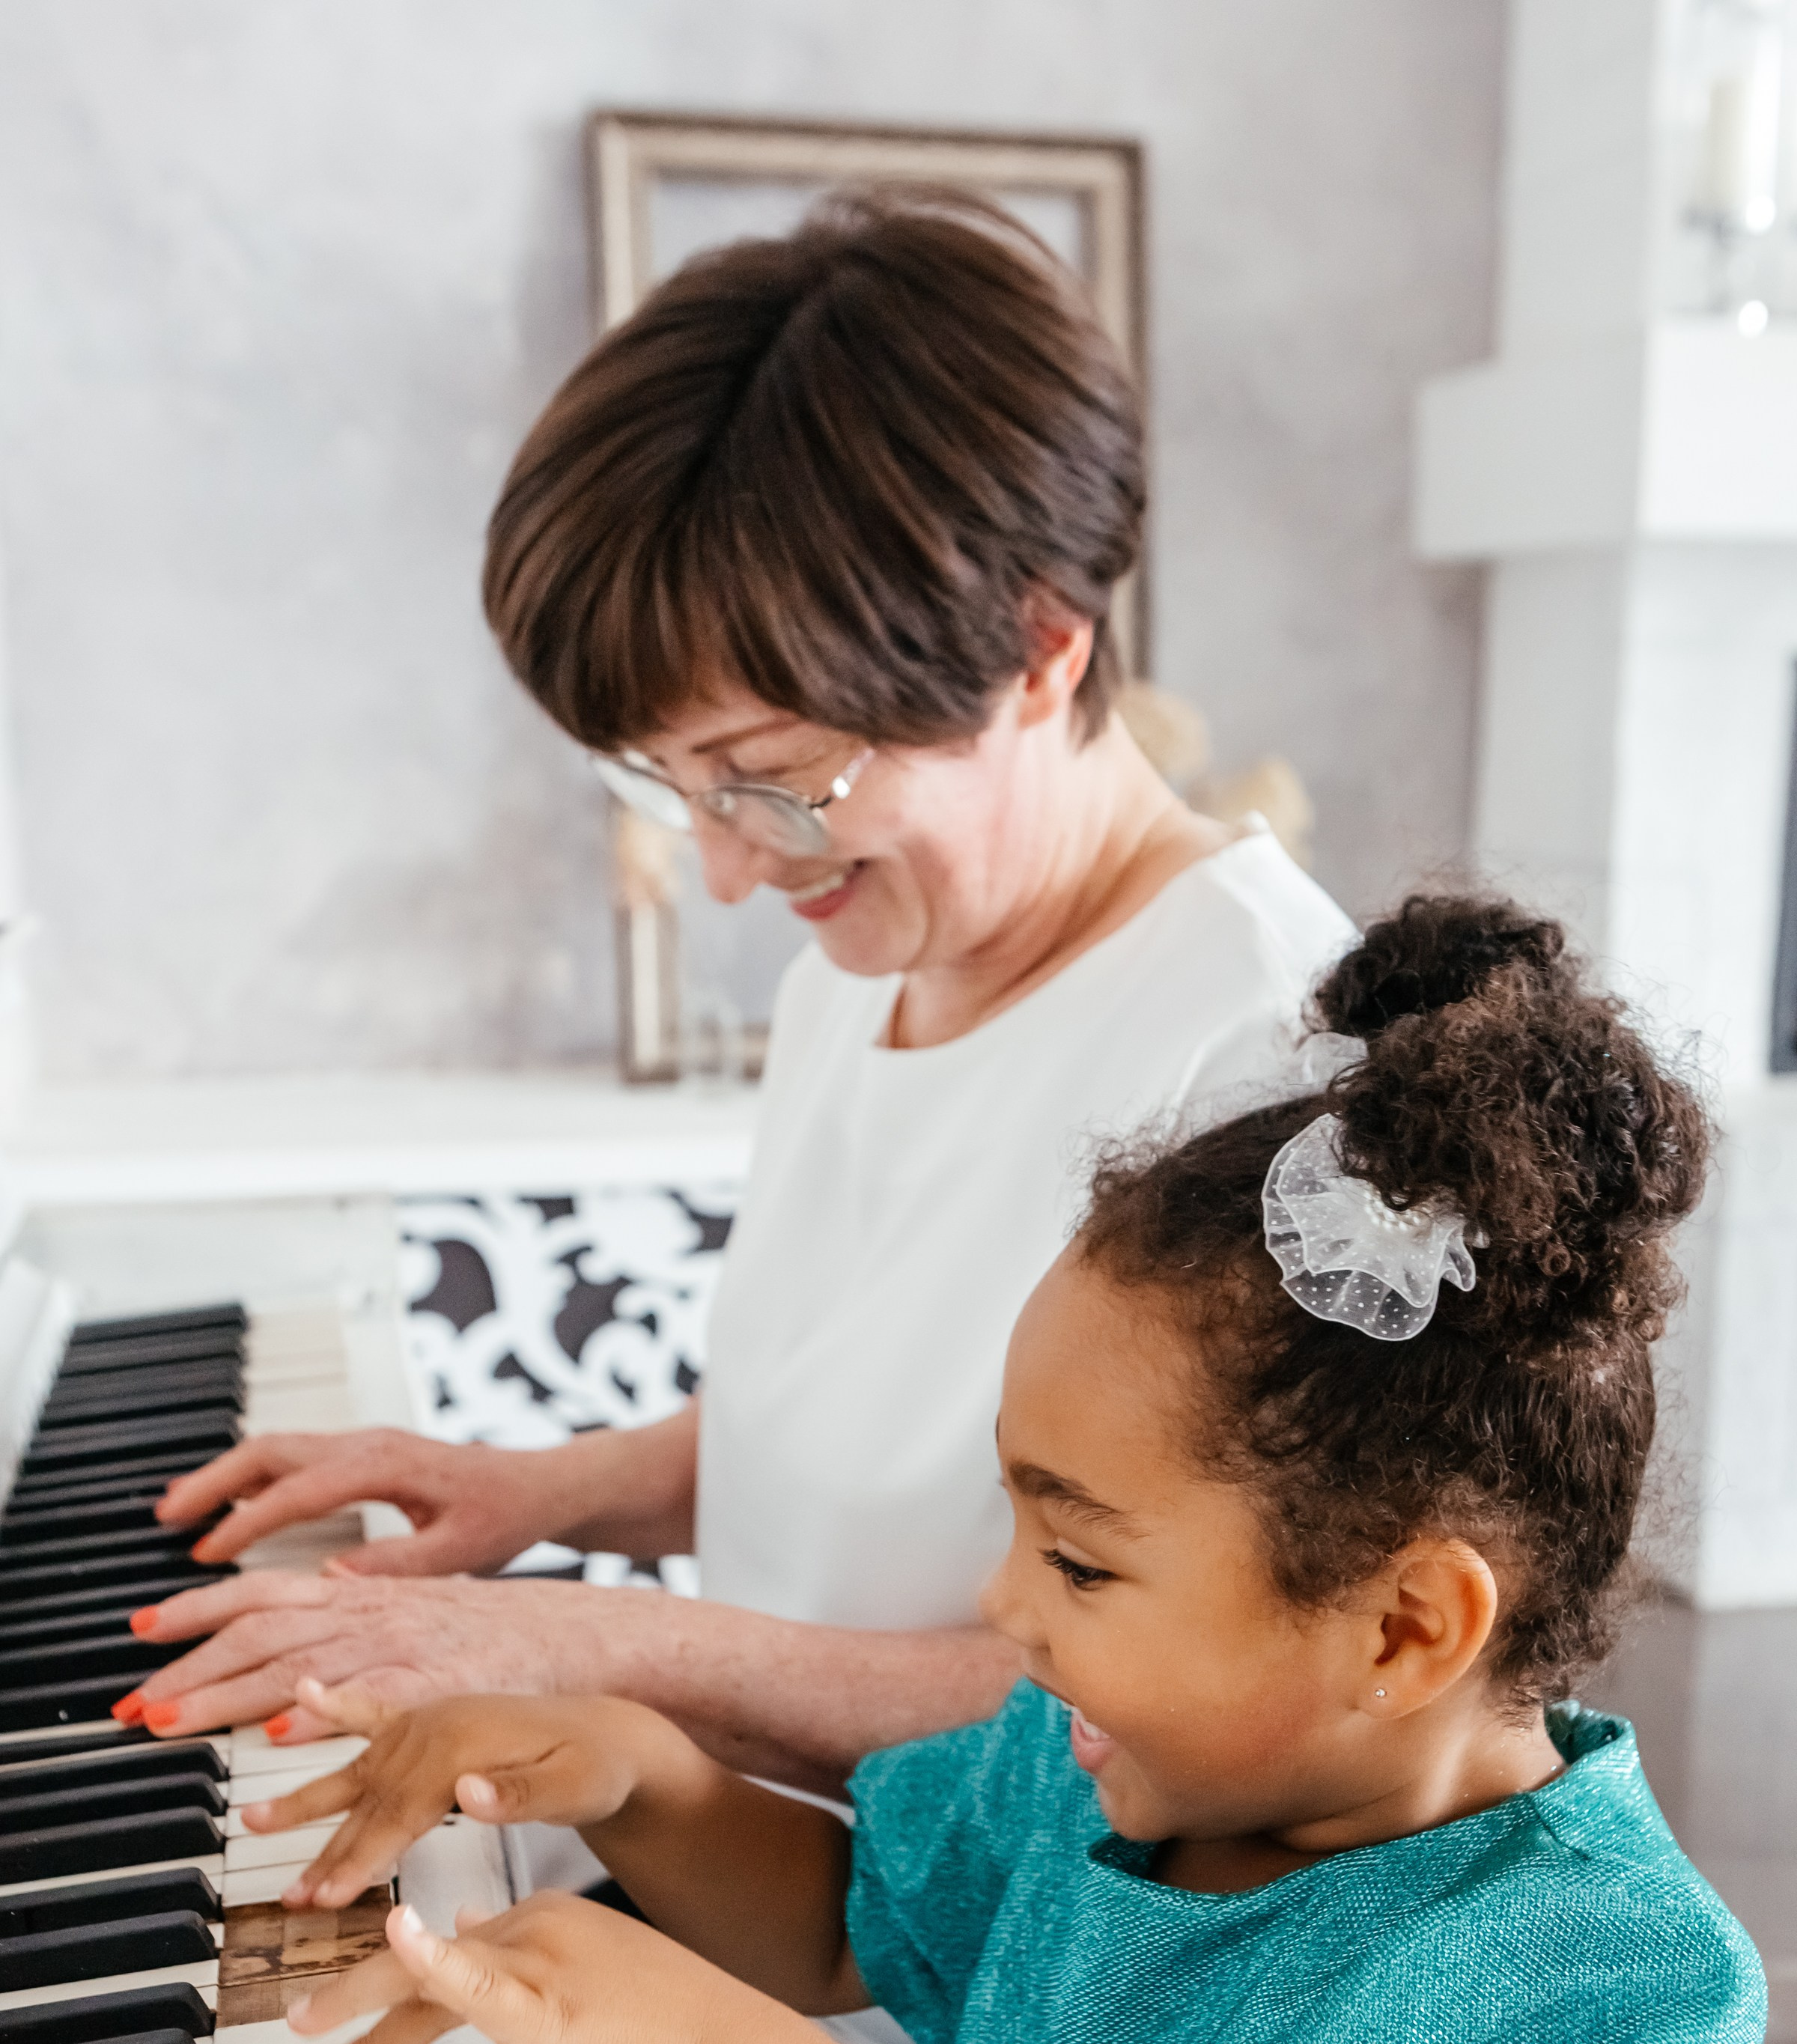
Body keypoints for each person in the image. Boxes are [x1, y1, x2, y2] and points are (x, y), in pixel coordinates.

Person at [279, 895, 1763, 2044]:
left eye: (1079, 1560)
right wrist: (644, 1779)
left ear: (1402, 1621)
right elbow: (846, 1923)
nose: (1004, 1610)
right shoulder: (1110, 1775)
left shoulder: (1600, 1986)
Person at [121, 189, 1350, 1804]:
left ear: (1039, 651)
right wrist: (526, 1493)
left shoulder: (1273, 1062)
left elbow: (1177, 1710)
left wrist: (579, 1646)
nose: (722, 873)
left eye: (772, 783)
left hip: (955, 2010)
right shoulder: (872, 957)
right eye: (666, 787)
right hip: (748, 1891)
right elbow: (843, 1445)